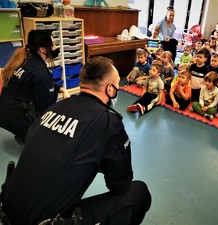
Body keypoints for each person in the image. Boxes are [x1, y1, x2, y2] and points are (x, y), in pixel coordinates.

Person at [2, 56, 151, 225]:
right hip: (41, 221)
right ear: (110, 89)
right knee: (138, 193)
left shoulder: (55, 107)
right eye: (116, 86)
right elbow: (119, 185)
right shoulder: (108, 122)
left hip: (8, 208)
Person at [0, 29, 70, 144]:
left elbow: (35, 85)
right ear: (42, 49)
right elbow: (47, 110)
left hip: (5, 114)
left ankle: (26, 134)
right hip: (16, 121)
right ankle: (29, 135)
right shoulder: (40, 72)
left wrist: (61, 89)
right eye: (52, 44)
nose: (55, 47)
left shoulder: (25, 61)